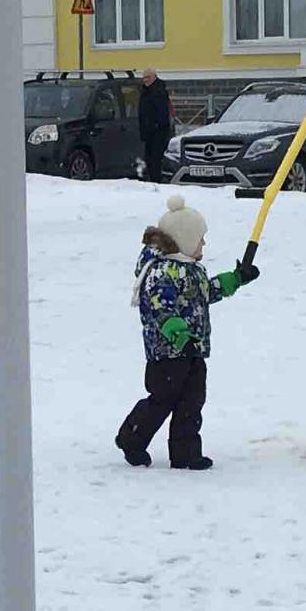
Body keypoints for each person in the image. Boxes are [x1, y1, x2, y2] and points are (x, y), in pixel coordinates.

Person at [115, 192, 256, 471]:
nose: (203, 243)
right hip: (167, 353)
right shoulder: (161, 273)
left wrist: (237, 278)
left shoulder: (192, 270)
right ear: (184, 239)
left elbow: (206, 293)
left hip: (193, 350)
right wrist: (181, 337)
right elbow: (162, 310)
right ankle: (131, 438)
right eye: (200, 238)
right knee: (162, 400)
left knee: (192, 402)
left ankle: (186, 453)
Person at [136, 70, 174, 183]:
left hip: (158, 131)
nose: (145, 80)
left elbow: (162, 112)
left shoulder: (159, 91)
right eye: (144, 77)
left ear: (154, 77)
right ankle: (152, 179)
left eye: (148, 77)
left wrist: (158, 126)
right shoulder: (145, 91)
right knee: (148, 158)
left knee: (155, 159)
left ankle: (156, 181)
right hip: (148, 131)